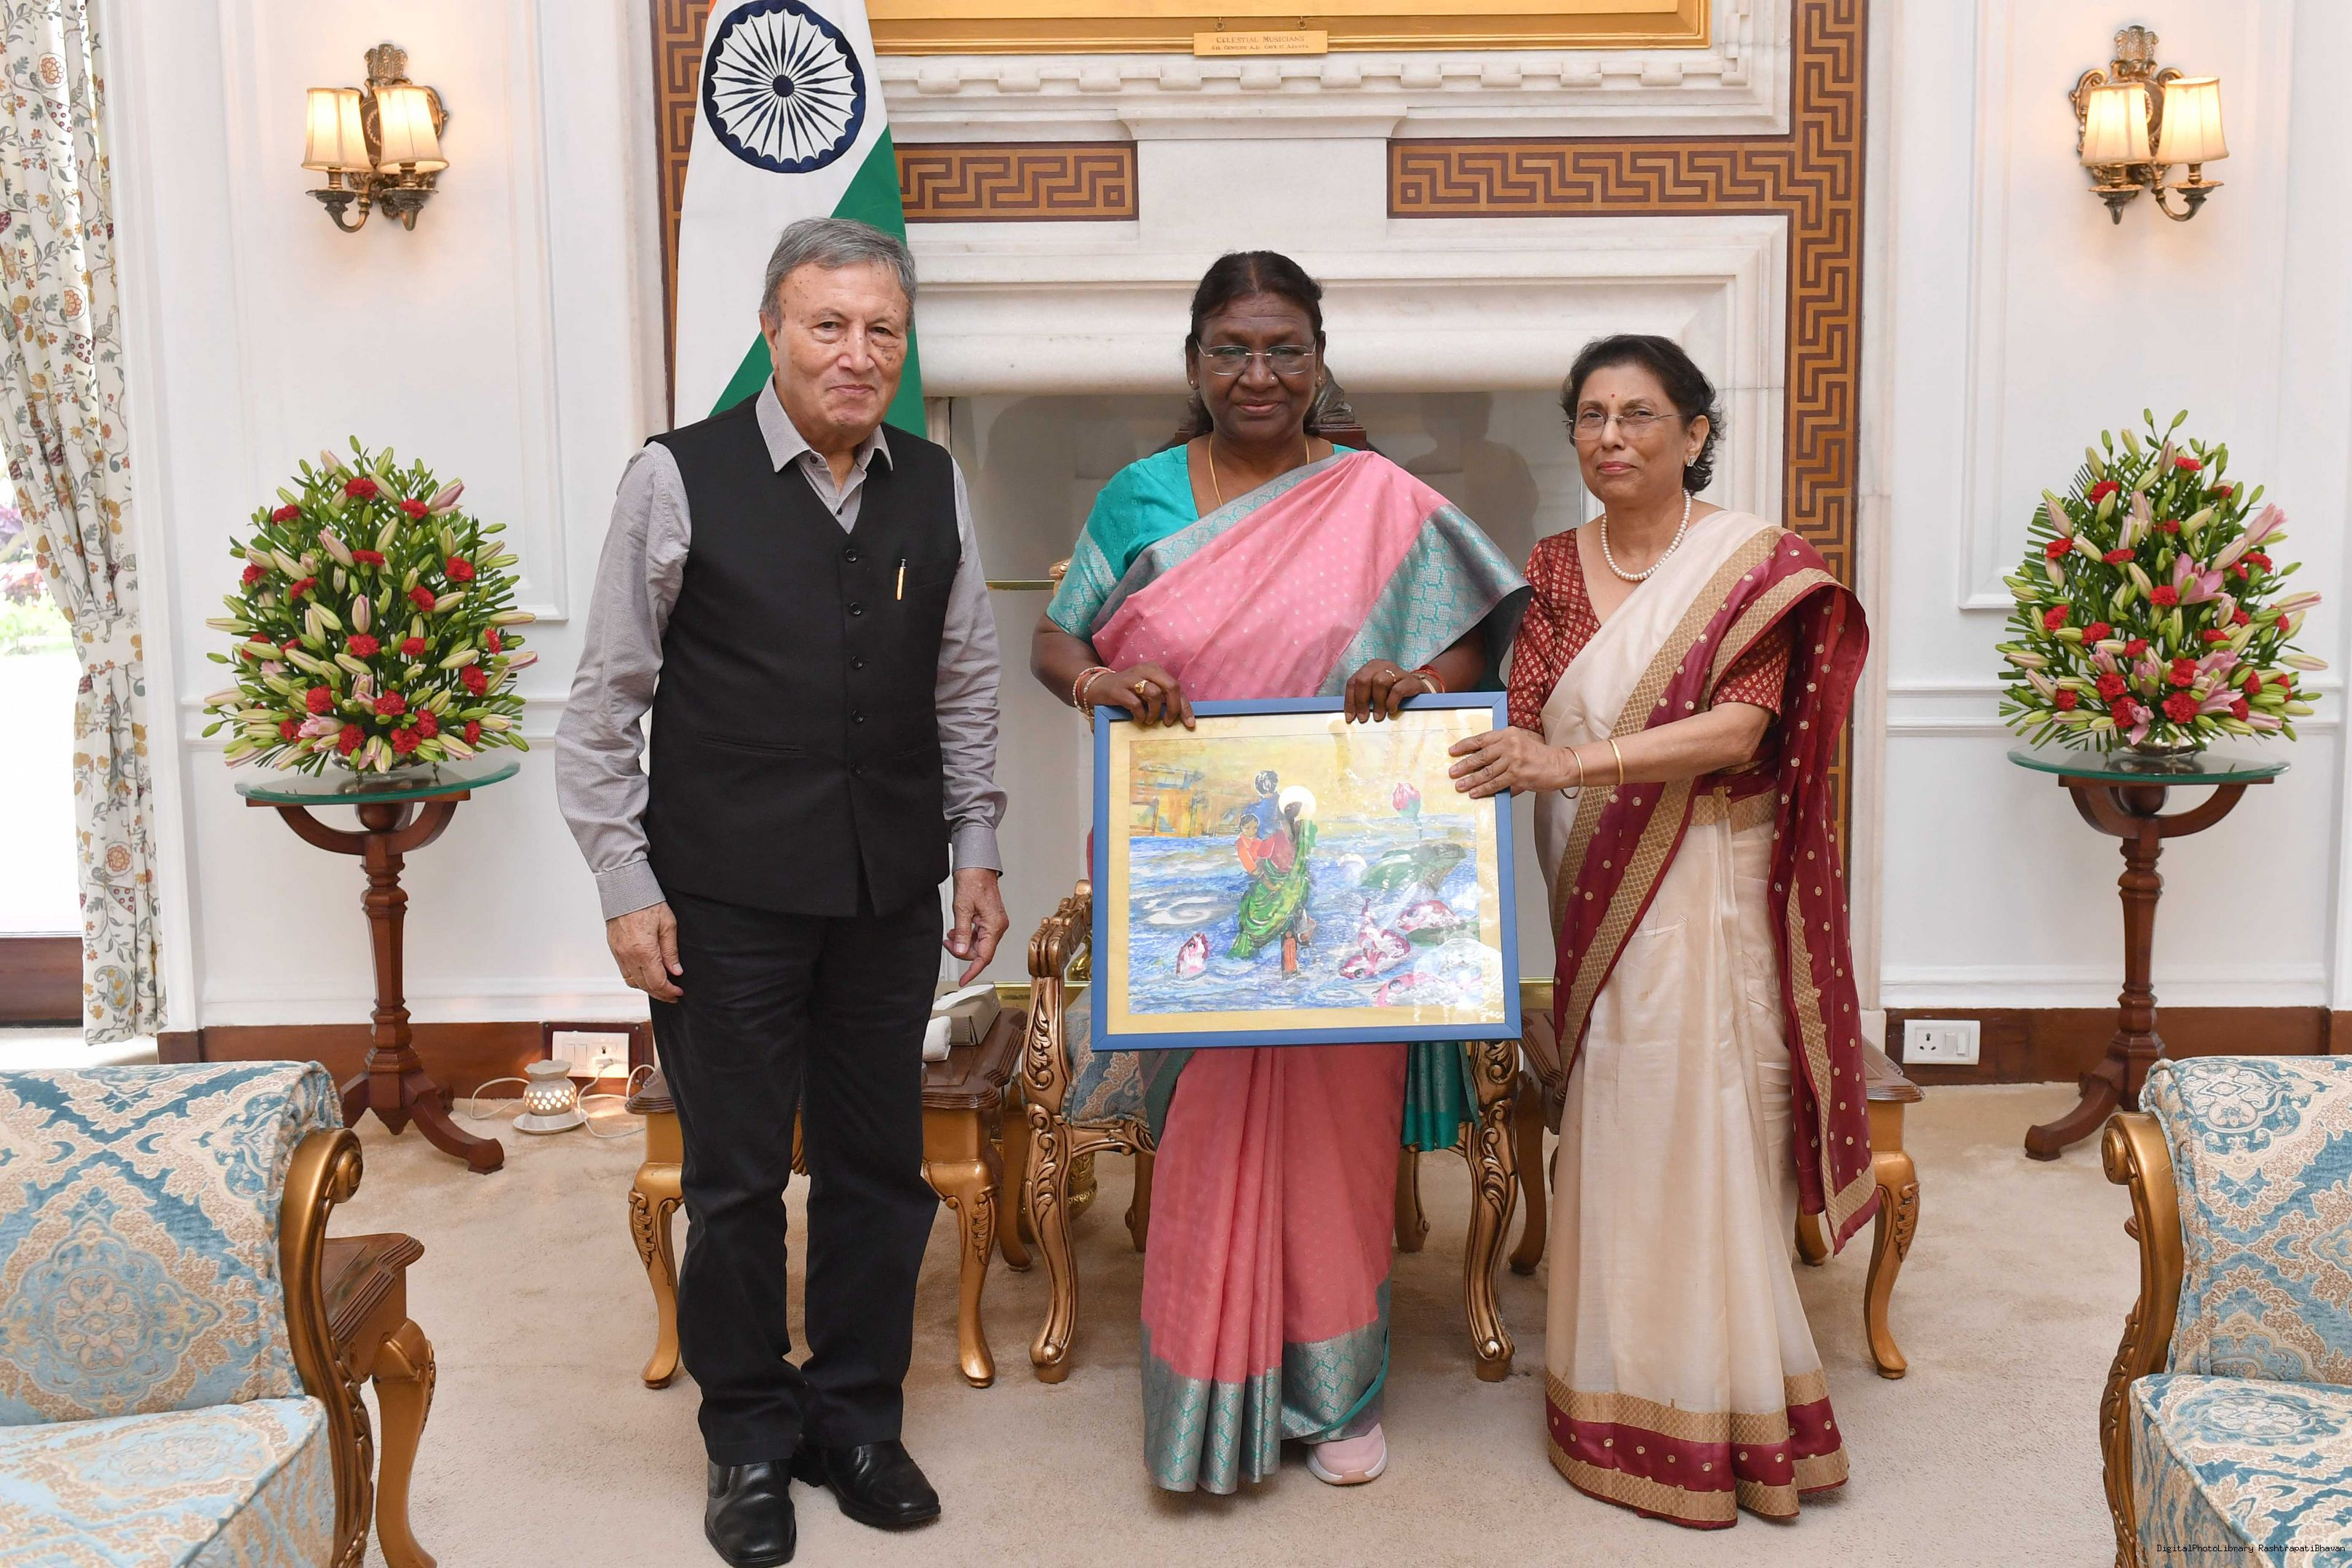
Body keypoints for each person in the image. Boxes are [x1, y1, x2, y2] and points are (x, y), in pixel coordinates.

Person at [1030, 250, 1527, 1493]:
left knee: (1336, 1138)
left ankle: (1335, 1393)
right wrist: (1099, 682)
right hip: (1188, 876)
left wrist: (1417, 681)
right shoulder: (1140, 499)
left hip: (1345, 883)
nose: (1259, 374)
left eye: (1284, 349)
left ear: (1319, 360)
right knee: (1204, 1133)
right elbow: (1055, 638)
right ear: (1195, 363)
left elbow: (1473, 638)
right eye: (1232, 351)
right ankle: (1207, 1396)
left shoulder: (1377, 496)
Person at [555, 217, 1009, 1567]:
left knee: (880, 1172)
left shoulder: (935, 482)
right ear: (772, 333)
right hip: (722, 899)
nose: (858, 354)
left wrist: (977, 846)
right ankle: (749, 1435)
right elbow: (604, 704)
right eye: (829, 325)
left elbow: (966, 682)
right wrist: (624, 882)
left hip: (886, 893)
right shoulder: (674, 476)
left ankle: (857, 1419)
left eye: (883, 330)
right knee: (738, 1181)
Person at [1447, 334, 1873, 1529]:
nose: (1611, 437)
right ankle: (1613, 1393)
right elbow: (1522, 712)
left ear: (1694, 432)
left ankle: (1727, 1405)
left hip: (1709, 878)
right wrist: (1413, 718)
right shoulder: (1553, 564)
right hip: (1594, 878)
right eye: (1591, 416)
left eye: (1639, 414)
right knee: (1623, 1114)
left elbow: (1741, 731)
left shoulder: (1755, 564)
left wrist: (1570, 764)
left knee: (1708, 1117)